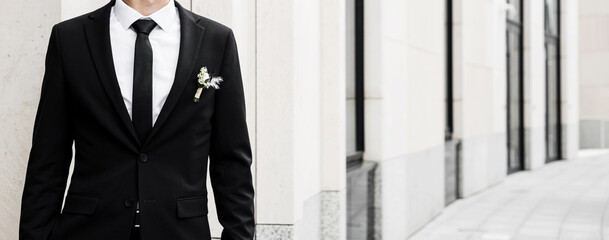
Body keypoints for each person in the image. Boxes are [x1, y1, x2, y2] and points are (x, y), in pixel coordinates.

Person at [18, 0, 255, 239]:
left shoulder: (217, 40)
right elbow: (48, 158)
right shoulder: (70, 37)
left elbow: (231, 161)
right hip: (89, 230)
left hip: (180, 231)